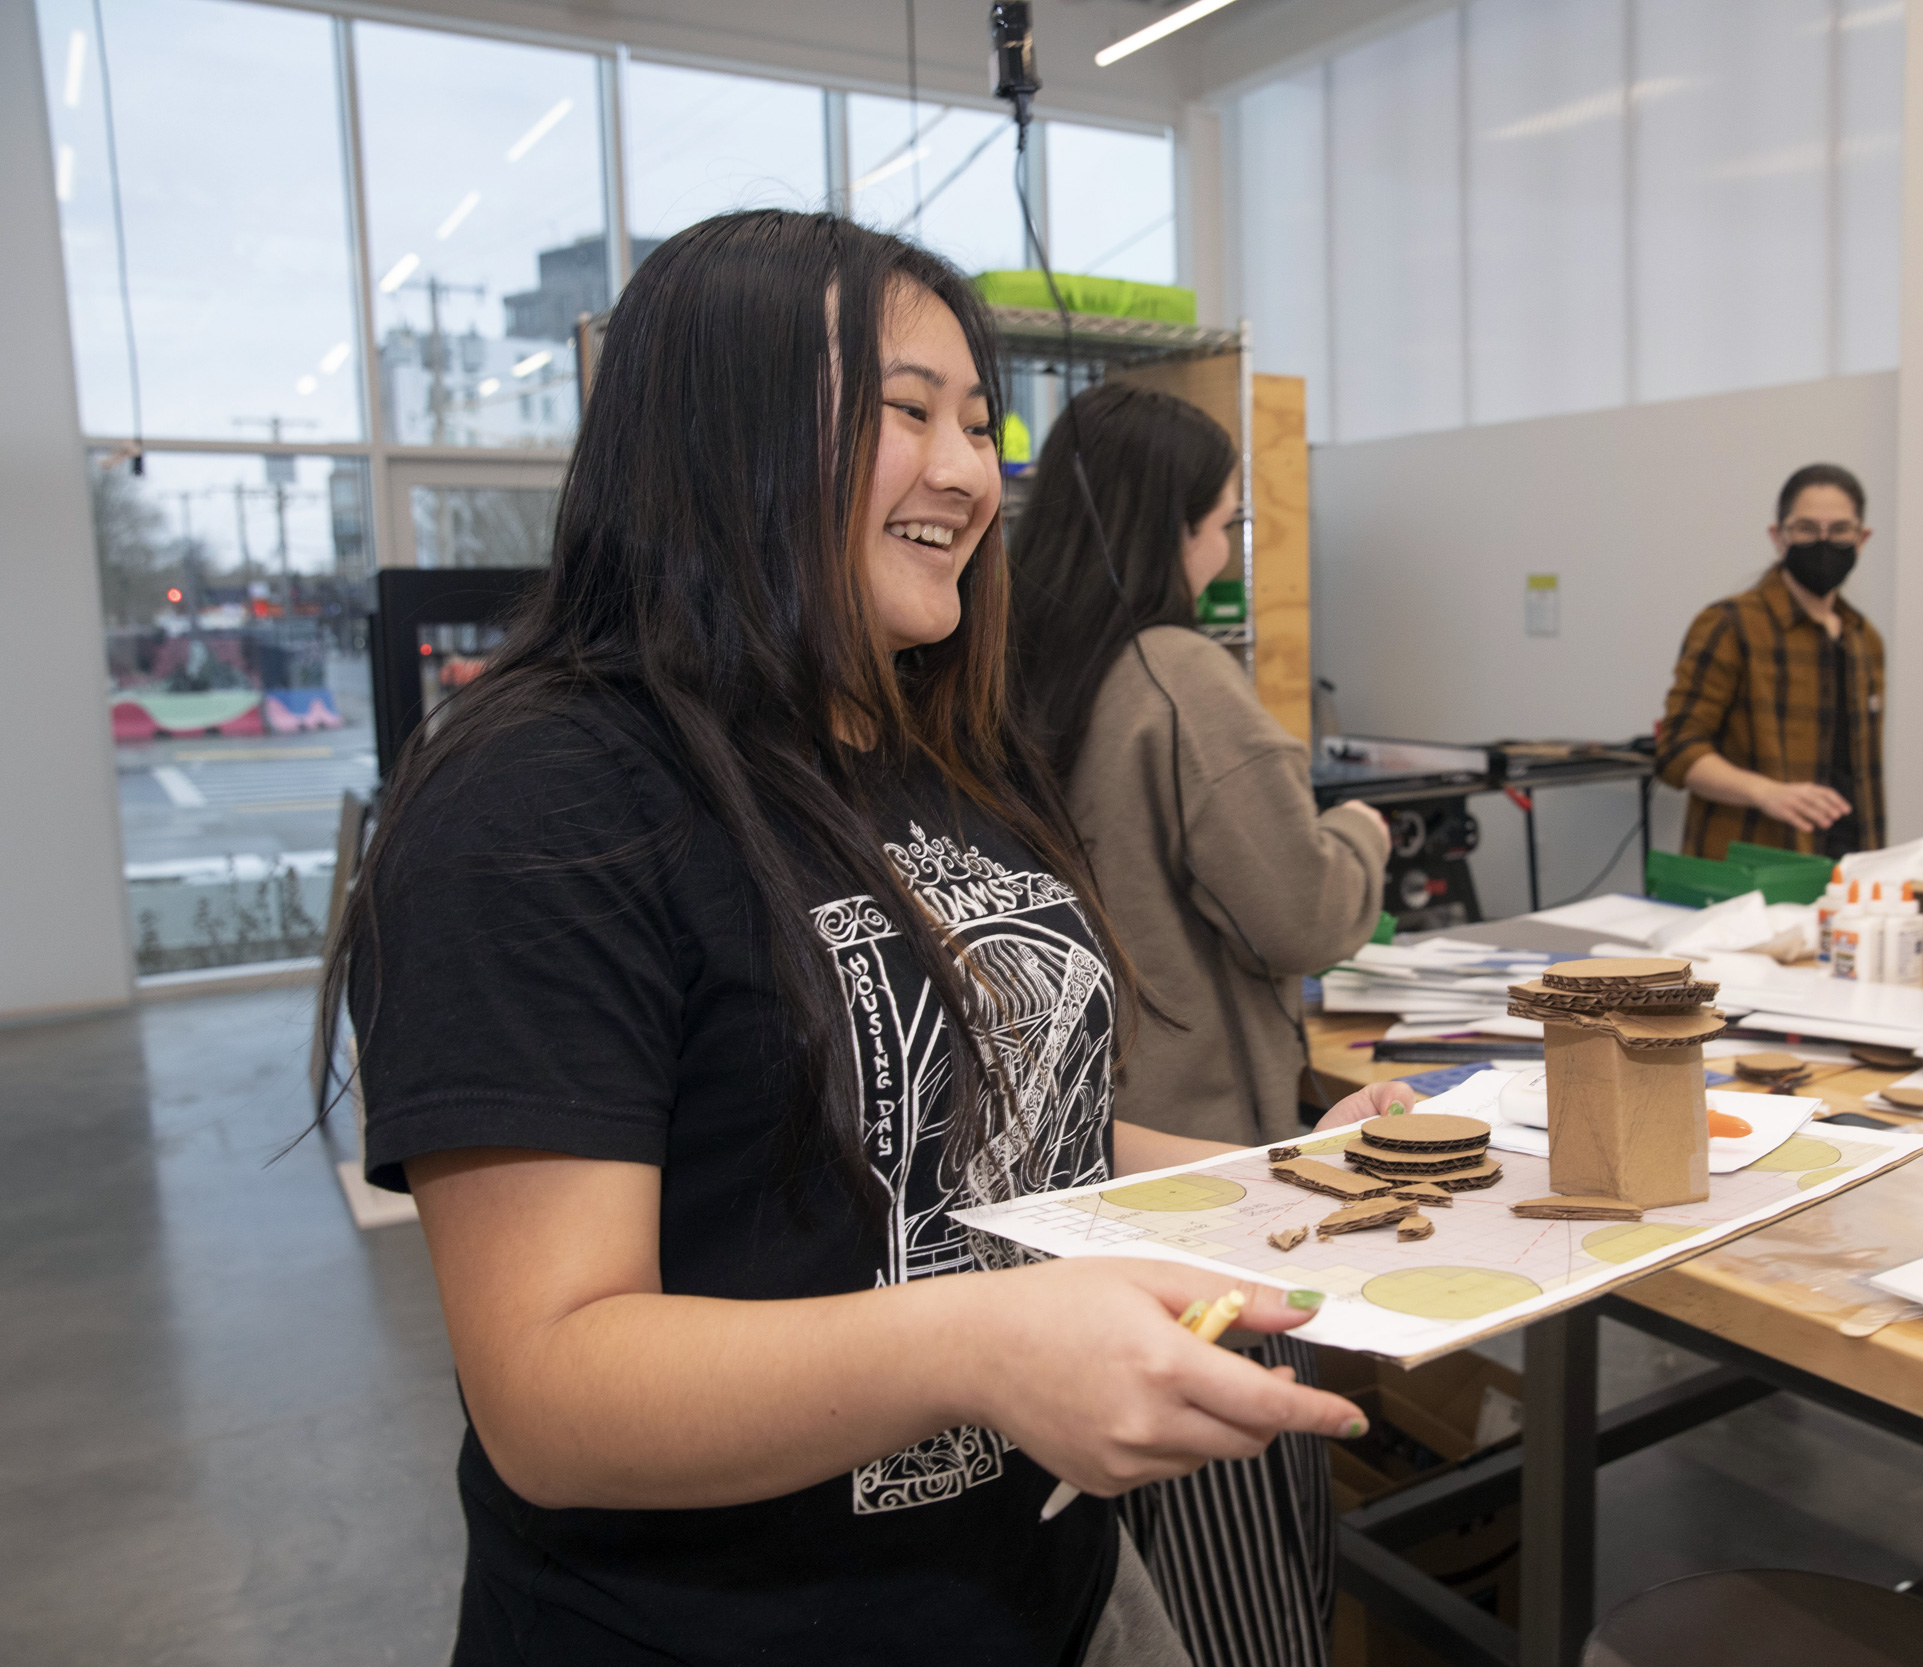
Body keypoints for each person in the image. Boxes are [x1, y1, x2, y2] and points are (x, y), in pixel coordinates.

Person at [316, 211, 1391, 1667]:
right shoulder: (547, 793)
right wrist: (985, 1344)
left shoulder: (932, 749)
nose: (967, 470)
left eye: (979, 422)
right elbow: (551, 1386)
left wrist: (1273, 1180)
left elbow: (1006, 1128)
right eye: (907, 412)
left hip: (1053, 1585)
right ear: (726, 428)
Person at [1007, 380, 1400, 1667]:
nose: (1227, 551)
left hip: (1077, 1164)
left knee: (1127, 1571)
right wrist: (1362, 831)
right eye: (1223, 521)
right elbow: (1297, 914)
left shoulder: (1012, 670)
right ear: (1167, 525)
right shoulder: (1175, 672)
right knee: (1242, 1563)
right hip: (1201, 1176)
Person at [1655, 462, 1886, 861]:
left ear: (1862, 538)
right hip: (1751, 868)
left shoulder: (1864, 638)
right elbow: (1676, 749)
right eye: (1807, 528)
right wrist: (1767, 793)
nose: (1824, 541)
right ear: (1778, 537)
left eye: (1840, 530)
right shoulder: (1730, 625)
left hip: (1847, 867)